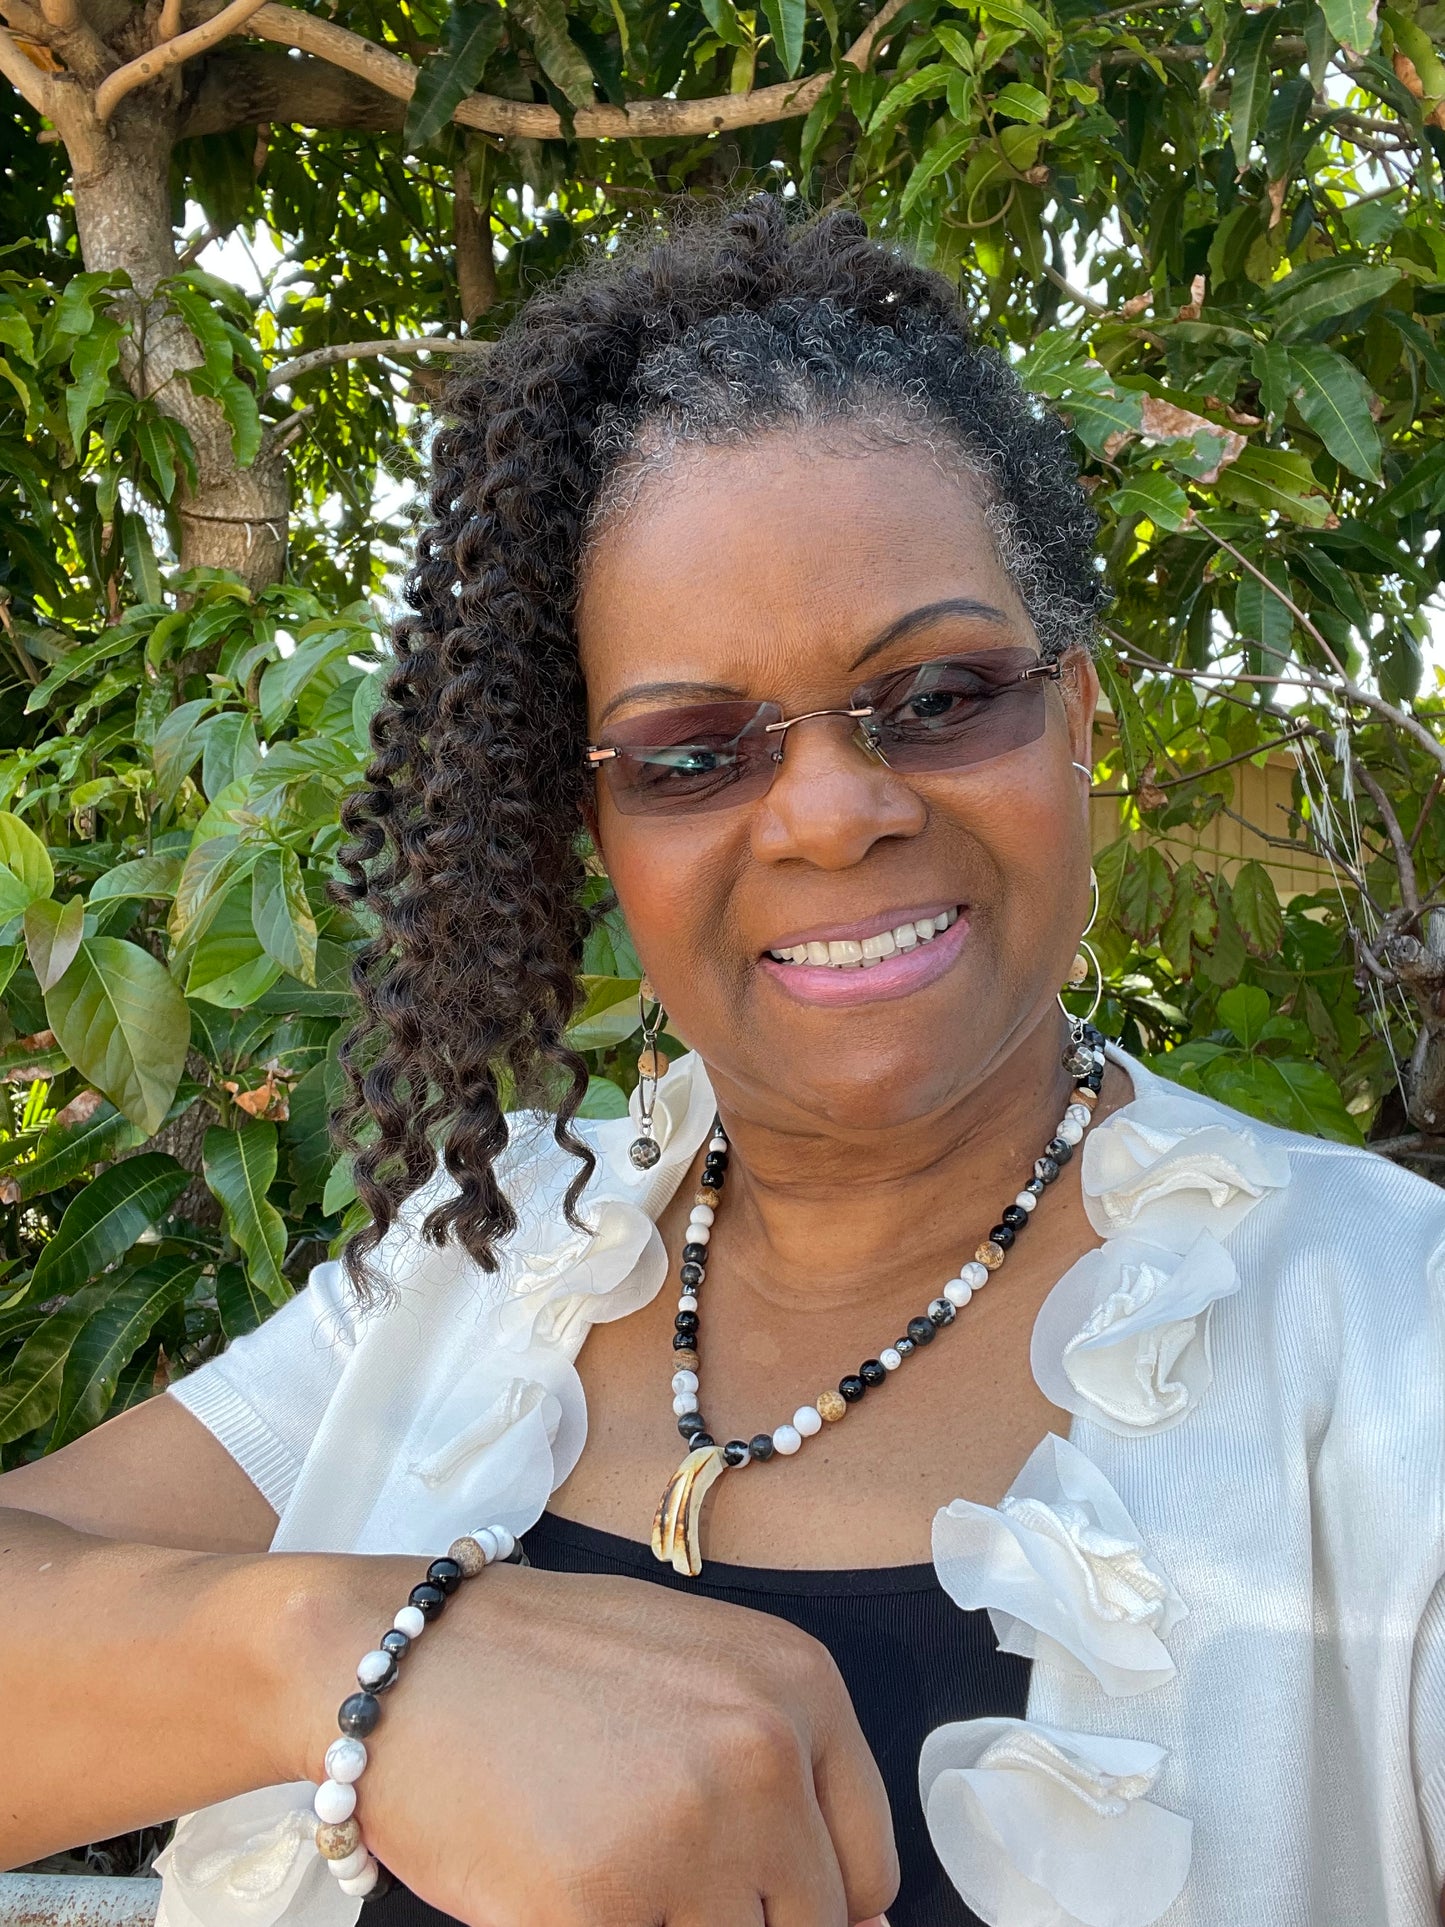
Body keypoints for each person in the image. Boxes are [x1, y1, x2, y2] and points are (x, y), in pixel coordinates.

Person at [4, 198, 1444, 1927]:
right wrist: (352, 1652)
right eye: (692, 755)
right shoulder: (481, 1278)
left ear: (1079, 727)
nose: (834, 815)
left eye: (935, 696)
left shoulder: (1388, 1353)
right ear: (597, 833)